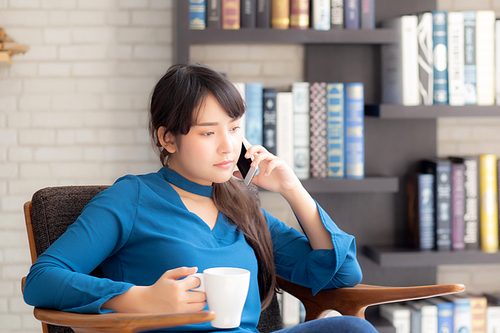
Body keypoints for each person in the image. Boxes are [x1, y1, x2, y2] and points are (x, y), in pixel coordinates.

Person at [23, 63, 378, 333]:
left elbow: (342, 274)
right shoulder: (132, 197)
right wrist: (140, 298)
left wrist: (292, 189)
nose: (229, 146)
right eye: (208, 132)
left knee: (352, 328)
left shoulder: (241, 206)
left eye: (235, 128)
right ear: (169, 139)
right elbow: (43, 279)